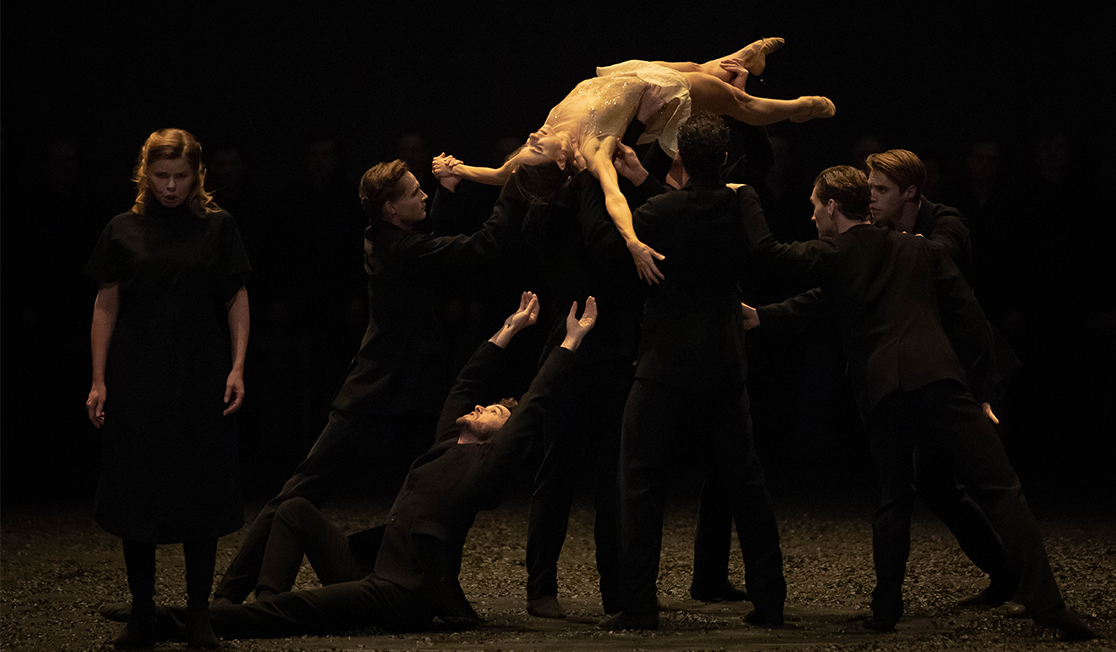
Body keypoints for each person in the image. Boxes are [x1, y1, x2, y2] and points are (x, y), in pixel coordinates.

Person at [737, 165, 1095, 640]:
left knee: (893, 499)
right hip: (940, 380)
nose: (811, 216)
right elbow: (969, 320)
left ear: (829, 207)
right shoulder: (920, 248)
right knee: (1001, 492)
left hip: (885, 390)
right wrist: (981, 390)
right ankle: (1048, 606)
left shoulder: (835, 253)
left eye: (812, 207)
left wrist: (743, 199)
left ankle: (886, 609)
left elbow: (773, 259)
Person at [134, 293, 597, 640]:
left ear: (501, 436)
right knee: (293, 509)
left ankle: (163, 621)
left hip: (401, 594)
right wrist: (510, 328)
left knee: (305, 610)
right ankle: (262, 603)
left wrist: (570, 342)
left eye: (492, 413)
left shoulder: (488, 463)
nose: (479, 408)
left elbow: (535, 402)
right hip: (371, 571)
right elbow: (467, 380)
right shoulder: (445, 443)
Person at [211, 160, 540, 607]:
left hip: (409, 386)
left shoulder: (392, 238)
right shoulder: (396, 249)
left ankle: (432, 584)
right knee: (302, 488)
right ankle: (229, 598)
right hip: (377, 386)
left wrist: (445, 192)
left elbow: (427, 243)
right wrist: (515, 185)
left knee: (444, 477)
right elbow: (481, 246)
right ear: (390, 208)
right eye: (414, 192)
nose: (422, 195)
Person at [438, 37, 834, 283]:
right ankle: (799, 108)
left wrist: (454, 167)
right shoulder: (593, 152)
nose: (533, 136)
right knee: (739, 104)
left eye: (529, 143)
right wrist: (632, 242)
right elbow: (612, 197)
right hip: (654, 94)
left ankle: (744, 59)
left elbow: (497, 173)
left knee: (700, 68)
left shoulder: (540, 146)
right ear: (561, 163)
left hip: (627, 75)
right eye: (537, 146)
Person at [599, 113, 786, 631]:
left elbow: (675, 212)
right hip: (722, 360)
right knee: (745, 482)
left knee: (639, 480)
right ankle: (770, 601)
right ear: (724, 159)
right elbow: (734, 230)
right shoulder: (741, 200)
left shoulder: (658, 208)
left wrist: (638, 180)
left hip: (664, 362)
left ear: (680, 156)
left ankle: (639, 604)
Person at [85, 128, 251, 649]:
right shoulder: (123, 229)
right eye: (161, 176)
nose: (171, 186)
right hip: (138, 375)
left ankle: (199, 613)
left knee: (198, 487)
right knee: (139, 490)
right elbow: (105, 303)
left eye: (180, 176)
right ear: (145, 174)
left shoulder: (217, 228)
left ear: (197, 175)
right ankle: (142, 613)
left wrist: (238, 365)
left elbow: (235, 296)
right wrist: (98, 379)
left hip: (200, 372)